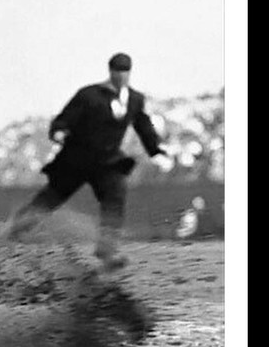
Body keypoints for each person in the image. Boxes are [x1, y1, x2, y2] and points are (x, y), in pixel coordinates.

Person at [9, 53, 170, 269]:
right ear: (110, 71)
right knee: (52, 196)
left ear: (129, 73)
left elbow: (143, 126)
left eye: (125, 72)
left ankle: (107, 249)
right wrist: (59, 132)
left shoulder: (134, 99)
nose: (121, 76)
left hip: (107, 162)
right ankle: (16, 230)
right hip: (76, 159)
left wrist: (156, 150)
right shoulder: (89, 95)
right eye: (117, 72)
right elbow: (63, 120)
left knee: (115, 196)